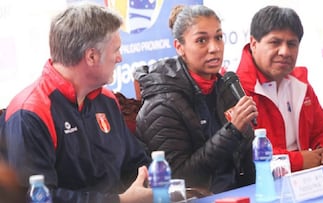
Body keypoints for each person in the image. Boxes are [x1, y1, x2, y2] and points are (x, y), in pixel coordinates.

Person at [0, 3, 152, 203]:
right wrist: (119, 201)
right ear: (91, 56)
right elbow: (35, 198)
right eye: (116, 50)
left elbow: (136, 163)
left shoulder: (106, 100)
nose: (120, 58)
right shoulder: (30, 112)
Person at [134, 5, 258, 195]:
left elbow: (246, 161)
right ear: (179, 47)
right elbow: (180, 178)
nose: (214, 48)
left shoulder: (225, 86)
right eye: (201, 40)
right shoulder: (162, 103)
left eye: (218, 37)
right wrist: (232, 131)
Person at [236, 5, 323, 172]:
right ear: (253, 43)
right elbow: (247, 153)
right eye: (275, 42)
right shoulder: (235, 89)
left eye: (292, 44)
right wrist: (300, 161)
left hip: (305, 183)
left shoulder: (300, 84)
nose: (285, 51)